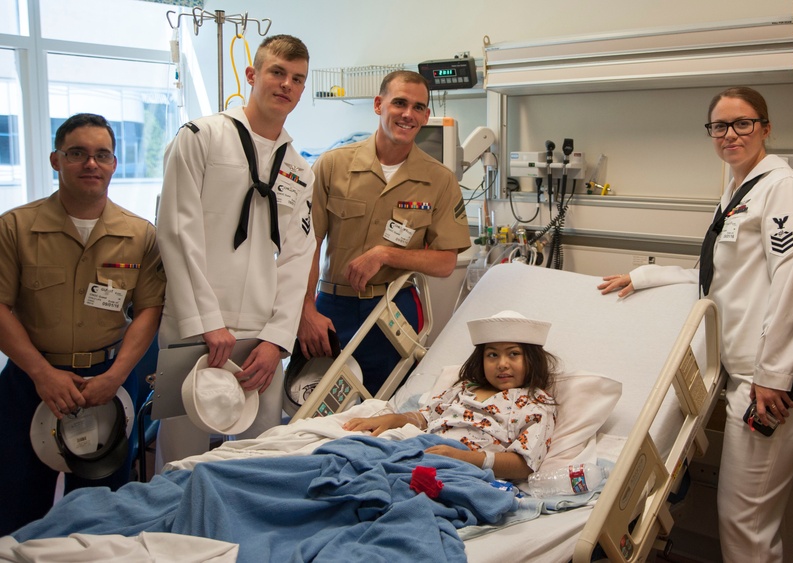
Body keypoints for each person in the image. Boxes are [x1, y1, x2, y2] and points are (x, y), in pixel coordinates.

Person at [598, 87, 793, 562]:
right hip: (760, 371)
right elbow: (719, 276)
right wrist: (643, 276)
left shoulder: (782, 189)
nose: (730, 134)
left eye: (743, 123)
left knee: (742, 518)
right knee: (779, 508)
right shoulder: (738, 189)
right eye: (720, 126)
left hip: (775, 379)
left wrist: (772, 376)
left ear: (766, 128)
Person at [0, 113, 166, 534]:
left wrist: (116, 375)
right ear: (56, 160)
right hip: (28, 381)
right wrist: (41, 374)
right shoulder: (16, 228)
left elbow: (149, 310)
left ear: (113, 163)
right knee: (18, 502)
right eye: (77, 153)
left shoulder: (139, 234)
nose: (90, 163)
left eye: (101, 155)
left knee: (99, 511)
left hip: (106, 383)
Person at [155, 35, 316, 468]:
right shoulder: (200, 139)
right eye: (277, 72)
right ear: (252, 74)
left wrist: (277, 340)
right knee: (181, 452)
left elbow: (298, 257)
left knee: (259, 452)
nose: (286, 85)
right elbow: (175, 231)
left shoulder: (300, 170)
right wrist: (207, 321)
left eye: (297, 79)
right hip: (195, 324)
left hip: (260, 334)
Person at [299, 70, 471, 398]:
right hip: (332, 308)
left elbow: (445, 263)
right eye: (400, 103)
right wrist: (306, 309)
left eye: (419, 107)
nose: (408, 114)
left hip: (394, 311)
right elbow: (307, 243)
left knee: (386, 408)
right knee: (315, 405)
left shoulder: (440, 181)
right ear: (379, 105)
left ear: (426, 116)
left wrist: (387, 254)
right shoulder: (332, 166)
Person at [343, 310, 557, 480]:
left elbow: (524, 465)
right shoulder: (464, 388)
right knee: (347, 455)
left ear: (531, 359)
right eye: (492, 354)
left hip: (464, 467)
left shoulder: (535, 402)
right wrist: (394, 419)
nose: (502, 364)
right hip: (423, 448)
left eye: (513, 354)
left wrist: (462, 457)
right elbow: (427, 416)